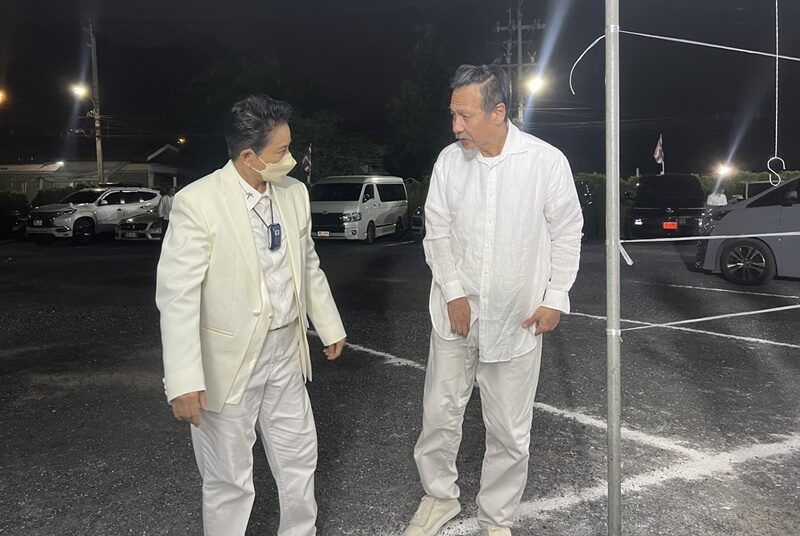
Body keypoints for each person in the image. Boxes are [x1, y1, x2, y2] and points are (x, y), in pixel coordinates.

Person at [404, 64, 583, 536]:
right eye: (453, 115)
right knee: (440, 415)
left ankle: (496, 517)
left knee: (509, 429)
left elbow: (567, 232)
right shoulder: (449, 162)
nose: (455, 126)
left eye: (465, 116)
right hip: (454, 316)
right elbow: (437, 233)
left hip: (516, 319)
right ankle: (439, 497)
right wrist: (454, 293)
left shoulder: (545, 162)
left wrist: (555, 297)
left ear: (498, 112)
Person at [156, 95, 347, 536]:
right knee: (229, 478)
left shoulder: (293, 193)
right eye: (282, 151)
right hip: (228, 360)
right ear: (248, 156)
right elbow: (178, 296)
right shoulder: (199, 202)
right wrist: (183, 380)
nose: (291, 159)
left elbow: (307, 263)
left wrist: (329, 325)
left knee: (299, 457)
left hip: (285, 349)